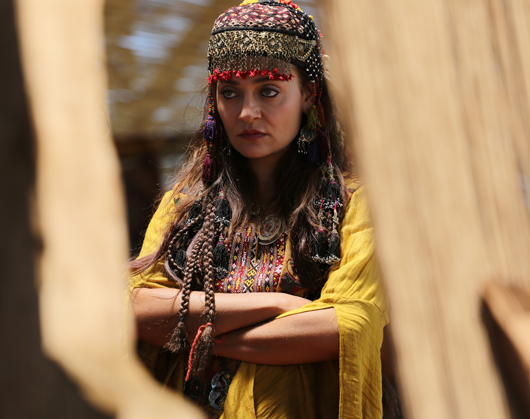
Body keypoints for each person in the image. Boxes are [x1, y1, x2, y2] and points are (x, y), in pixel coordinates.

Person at [130, 1, 389, 418]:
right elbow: (135, 307)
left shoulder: (357, 204)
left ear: (308, 94)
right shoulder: (185, 203)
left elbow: (347, 326)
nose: (247, 112)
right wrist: (278, 306)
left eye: (269, 90)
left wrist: (198, 333)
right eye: (229, 92)